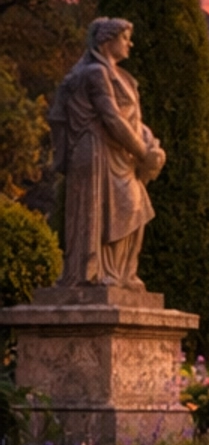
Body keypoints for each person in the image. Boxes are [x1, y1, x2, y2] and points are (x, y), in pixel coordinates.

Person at [50, 18, 165, 288]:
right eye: (124, 38)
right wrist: (143, 152)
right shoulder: (94, 73)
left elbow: (132, 119)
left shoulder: (122, 77)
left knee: (134, 206)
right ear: (106, 40)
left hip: (121, 154)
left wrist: (151, 144)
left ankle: (121, 272)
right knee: (101, 211)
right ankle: (95, 271)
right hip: (97, 151)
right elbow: (112, 118)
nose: (130, 44)